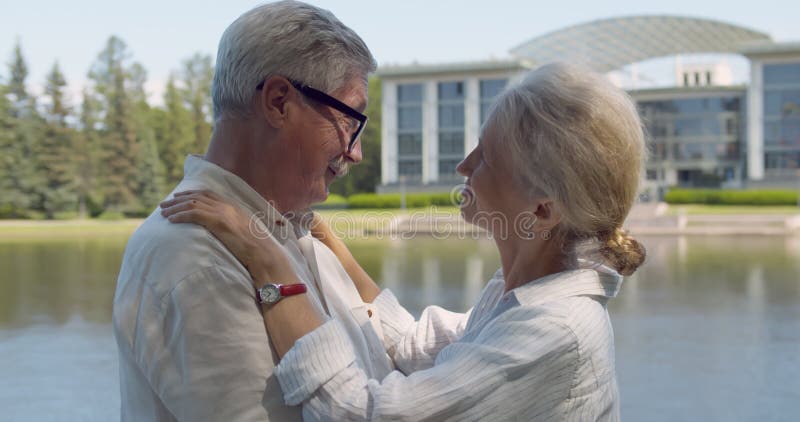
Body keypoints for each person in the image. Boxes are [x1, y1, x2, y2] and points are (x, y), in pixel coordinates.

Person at [160, 62, 648, 421]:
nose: (464, 166)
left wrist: (271, 266)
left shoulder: (555, 330)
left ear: (542, 208)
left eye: (487, 157)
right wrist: (338, 251)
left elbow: (360, 414)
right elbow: (424, 350)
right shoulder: (522, 289)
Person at [112, 2, 390, 420]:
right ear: (279, 102)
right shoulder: (195, 259)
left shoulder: (295, 231)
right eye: (350, 122)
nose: (356, 153)